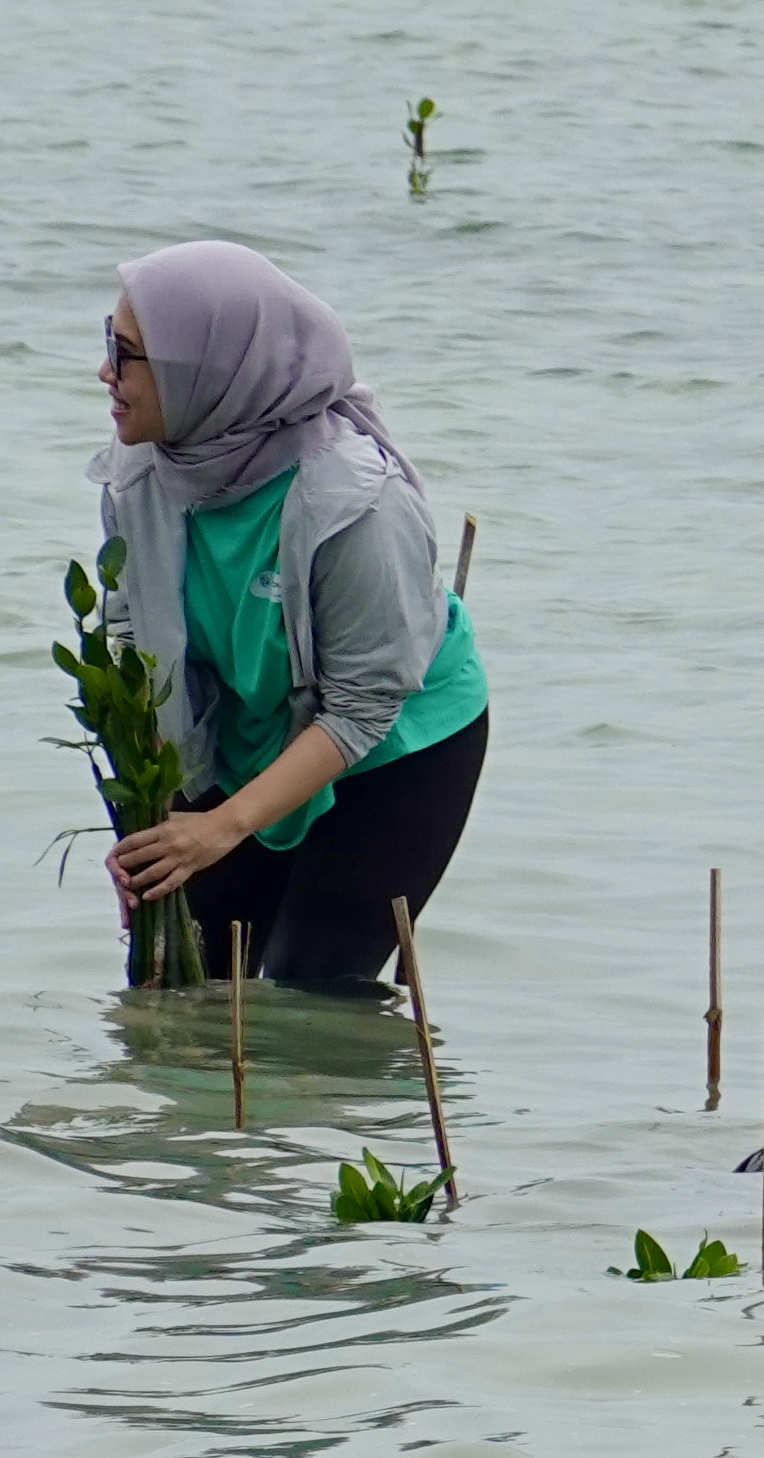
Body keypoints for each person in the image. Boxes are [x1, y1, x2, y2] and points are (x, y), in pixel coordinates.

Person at [92, 241, 490, 991]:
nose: (104, 374)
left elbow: (361, 709)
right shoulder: (139, 473)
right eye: (105, 344)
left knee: (314, 986)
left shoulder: (354, 505)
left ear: (203, 370)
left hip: (394, 746)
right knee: (187, 981)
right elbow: (133, 647)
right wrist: (157, 827)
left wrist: (219, 828)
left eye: (126, 354)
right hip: (248, 731)